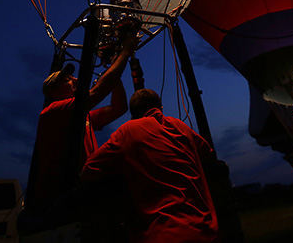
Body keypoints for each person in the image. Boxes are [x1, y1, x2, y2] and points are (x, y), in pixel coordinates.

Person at [80, 88, 219, 243]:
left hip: (161, 235)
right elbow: (208, 154)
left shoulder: (127, 131)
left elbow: (89, 170)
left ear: (133, 114)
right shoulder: (180, 126)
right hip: (206, 231)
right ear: (161, 108)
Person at [26, 34, 135, 214]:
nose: (75, 80)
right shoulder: (52, 112)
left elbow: (119, 108)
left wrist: (113, 72)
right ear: (54, 91)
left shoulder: (82, 116)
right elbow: (98, 92)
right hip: (60, 197)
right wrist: (125, 53)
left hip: (82, 190)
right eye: (68, 80)